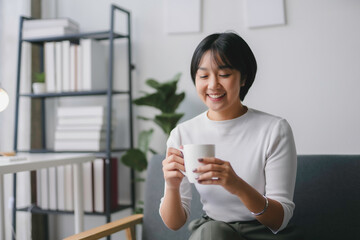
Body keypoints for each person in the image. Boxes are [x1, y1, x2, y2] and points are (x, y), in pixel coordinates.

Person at [159, 32, 301, 240]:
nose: (213, 85)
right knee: (213, 233)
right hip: (213, 232)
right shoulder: (183, 133)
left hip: (263, 232)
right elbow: (174, 223)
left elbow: (279, 220)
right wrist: (172, 186)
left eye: (224, 74)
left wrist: (237, 185)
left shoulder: (274, 130)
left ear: (243, 77)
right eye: (204, 76)